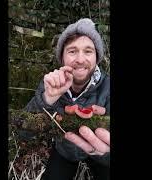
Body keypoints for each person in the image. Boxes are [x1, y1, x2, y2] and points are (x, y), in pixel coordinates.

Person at [25, 18, 111, 180]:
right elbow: (24, 133)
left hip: (101, 154)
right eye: (72, 51)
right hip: (64, 152)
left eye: (88, 51)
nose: (80, 59)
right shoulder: (50, 84)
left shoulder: (108, 86)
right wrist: (47, 99)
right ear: (62, 58)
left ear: (97, 57)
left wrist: (107, 154)